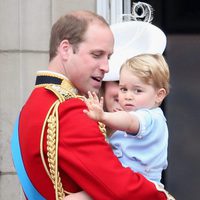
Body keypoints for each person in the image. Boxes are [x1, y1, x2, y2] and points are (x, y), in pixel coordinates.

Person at [10, 10, 172, 200]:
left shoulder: (32, 107)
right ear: (65, 49)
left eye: (108, 57)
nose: (106, 67)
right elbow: (120, 191)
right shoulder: (69, 110)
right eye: (97, 55)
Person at [84, 53, 170, 185]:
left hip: (140, 184)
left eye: (138, 90)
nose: (128, 96)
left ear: (159, 95)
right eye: (123, 89)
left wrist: (103, 116)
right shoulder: (135, 116)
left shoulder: (150, 117)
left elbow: (129, 122)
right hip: (126, 181)